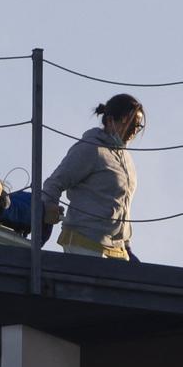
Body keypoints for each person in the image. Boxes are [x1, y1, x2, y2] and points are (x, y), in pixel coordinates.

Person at [42, 93, 144, 260]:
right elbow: (55, 182)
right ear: (111, 120)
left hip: (118, 249)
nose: (134, 130)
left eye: (138, 125)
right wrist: (48, 207)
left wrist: (127, 245)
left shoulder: (127, 162)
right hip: (85, 242)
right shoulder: (91, 149)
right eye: (129, 122)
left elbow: (123, 206)